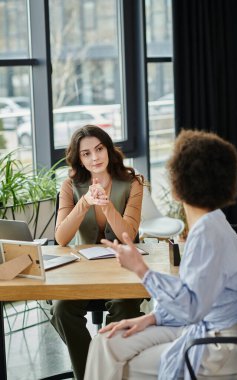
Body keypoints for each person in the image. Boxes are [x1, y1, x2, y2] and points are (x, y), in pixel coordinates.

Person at [84, 129, 237, 380]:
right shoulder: (213, 222)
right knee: (106, 342)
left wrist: (141, 268)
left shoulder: (208, 233)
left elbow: (191, 307)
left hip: (218, 345)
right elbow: (196, 293)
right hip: (204, 326)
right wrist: (151, 318)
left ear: (178, 186)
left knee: (119, 365)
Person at [50, 125, 145, 380]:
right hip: (83, 271)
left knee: (124, 307)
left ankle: (106, 366)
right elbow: (60, 237)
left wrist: (106, 204)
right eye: (86, 154)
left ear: (108, 148)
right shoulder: (71, 185)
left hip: (123, 267)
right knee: (61, 310)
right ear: (79, 159)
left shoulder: (132, 181)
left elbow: (128, 236)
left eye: (99, 149)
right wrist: (85, 202)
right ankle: (89, 372)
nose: (95, 158)